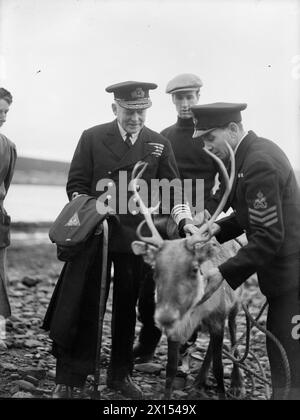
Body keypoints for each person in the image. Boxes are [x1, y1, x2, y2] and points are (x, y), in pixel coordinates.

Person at [43, 81, 197, 399]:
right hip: (95, 235)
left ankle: (120, 375)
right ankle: (70, 377)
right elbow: (77, 184)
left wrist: (184, 220)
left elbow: (175, 189)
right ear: (115, 109)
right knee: (84, 302)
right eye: (129, 112)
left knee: (127, 307)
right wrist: (93, 212)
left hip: (133, 239)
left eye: (142, 113)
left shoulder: (158, 143)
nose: (136, 120)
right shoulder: (92, 137)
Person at [191, 102, 300, 400]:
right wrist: (219, 228)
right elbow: (250, 214)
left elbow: (267, 236)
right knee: (283, 355)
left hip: (293, 281)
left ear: (234, 129)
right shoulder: (249, 157)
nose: (206, 146)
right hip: (285, 278)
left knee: (289, 361)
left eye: (210, 138)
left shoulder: (258, 163)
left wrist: (223, 273)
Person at [134, 74, 224, 363]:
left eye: (189, 97)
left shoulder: (210, 135)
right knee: (152, 284)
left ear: (198, 96)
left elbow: (223, 182)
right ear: (172, 100)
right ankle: (147, 345)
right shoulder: (164, 136)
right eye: (179, 98)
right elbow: (152, 178)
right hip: (165, 215)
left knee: (189, 288)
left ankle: (184, 354)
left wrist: (207, 212)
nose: (185, 104)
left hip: (195, 222)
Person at [0, 88, 17, 347]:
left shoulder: (8, 147)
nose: (3, 117)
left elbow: (5, 187)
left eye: (6, 112)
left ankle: (0, 332)